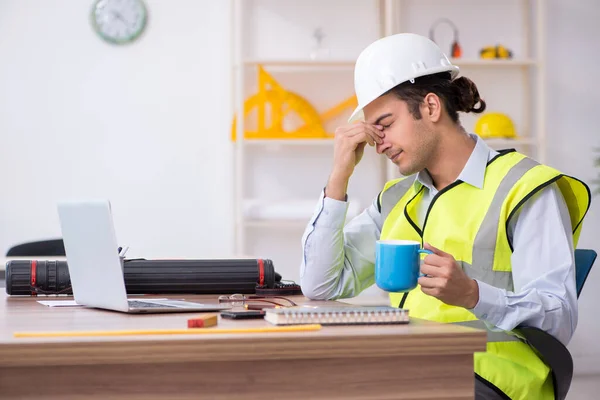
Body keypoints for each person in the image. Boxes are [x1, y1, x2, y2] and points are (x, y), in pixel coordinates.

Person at [299, 33, 591, 400]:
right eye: (373, 131)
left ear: (431, 107)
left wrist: (473, 294)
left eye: (385, 123)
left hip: (494, 380)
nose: (378, 143)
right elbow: (321, 286)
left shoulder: (524, 187)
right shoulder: (397, 200)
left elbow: (559, 318)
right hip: (410, 370)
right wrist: (338, 177)